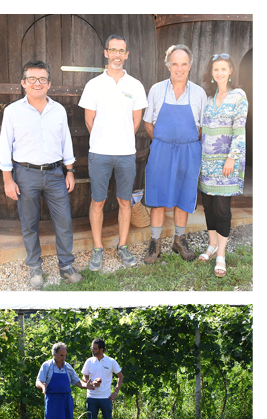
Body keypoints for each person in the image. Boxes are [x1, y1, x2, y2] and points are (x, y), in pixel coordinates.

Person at [0, 60, 82, 289]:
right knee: (29, 223)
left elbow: (66, 142)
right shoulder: (13, 111)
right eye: (32, 79)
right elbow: (5, 146)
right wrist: (7, 179)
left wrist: (70, 171)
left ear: (49, 84)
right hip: (26, 174)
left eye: (42, 79)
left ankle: (66, 265)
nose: (38, 83)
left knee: (64, 222)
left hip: (56, 173)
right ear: (23, 83)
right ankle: (35, 267)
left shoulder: (59, 110)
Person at [79, 34, 148, 269]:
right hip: (99, 153)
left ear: (126, 55)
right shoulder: (94, 85)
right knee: (97, 201)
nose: (117, 55)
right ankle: (98, 248)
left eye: (122, 51)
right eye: (113, 50)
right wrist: (104, 139)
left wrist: (122, 139)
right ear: (106, 53)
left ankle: (123, 246)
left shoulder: (135, 85)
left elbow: (136, 121)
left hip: (126, 154)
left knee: (124, 201)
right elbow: (90, 121)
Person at [143, 44, 207, 264]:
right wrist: (163, 141)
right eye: (175, 64)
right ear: (168, 65)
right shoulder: (156, 90)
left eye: (184, 64)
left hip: (189, 151)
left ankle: (179, 239)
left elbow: (202, 127)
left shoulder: (199, 93)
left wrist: (184, 142)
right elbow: (148, 123)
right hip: (161, 150)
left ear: (190, 66)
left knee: (183, 195)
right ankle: (155, 243)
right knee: (158, 196)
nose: (179, 68)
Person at [197, 53, 248, 277]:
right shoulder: (208, 97)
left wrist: (231, 157)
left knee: (222, 208)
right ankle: (212, 244)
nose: (219, 73)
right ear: (211, 73)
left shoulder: (238, 96)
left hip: (227, 162)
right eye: (215, 69)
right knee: (208, 205)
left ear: (230, 72)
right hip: (206, 161)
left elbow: (240, 130)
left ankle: (221, 255)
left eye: (223, 69)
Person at [35, 342, 99, 419]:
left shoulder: (68, 367)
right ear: (54, 354)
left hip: (66, 400)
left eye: (65, 355)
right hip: (52, 400)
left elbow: (77, 382)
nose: (63, 357)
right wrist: (43, 387)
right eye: (61, 355)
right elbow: (38, 381)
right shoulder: (47, 366)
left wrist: (87, 386)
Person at [82, 338, 123, 419]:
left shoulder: (110, 361)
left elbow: (120, 376)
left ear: (101, 349)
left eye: (94, 348)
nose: (92, 350)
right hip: (92, 397)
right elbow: (84, 376)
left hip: (105, 398)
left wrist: (115, 392)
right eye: (91, 348)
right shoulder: (89, 361)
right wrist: (88, 382)